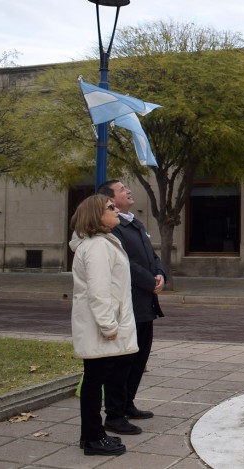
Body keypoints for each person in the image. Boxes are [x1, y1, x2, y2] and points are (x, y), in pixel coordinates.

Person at [69, 194, 138, 456]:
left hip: (98, 324)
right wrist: (109, 326)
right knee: (94, 381)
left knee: (94, 380)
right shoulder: (97, 246)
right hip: (100, 326)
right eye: (111, 207)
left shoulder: (101, 243)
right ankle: (93, 438)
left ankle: (91, 435)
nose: (116, 209)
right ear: (97, 215)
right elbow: (99, 292)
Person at [97, 180, 166, 435]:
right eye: (122, 188)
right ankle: (114, 414)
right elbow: (125, 263)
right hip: (129, 304)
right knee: (123, 362)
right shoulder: (113, 228)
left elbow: (152, 255)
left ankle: (127, 404)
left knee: (139, 358)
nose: (128, 190)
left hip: (145, 304)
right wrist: (150, 282)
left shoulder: (134, 222)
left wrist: (160, 273)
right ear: (111, 200)